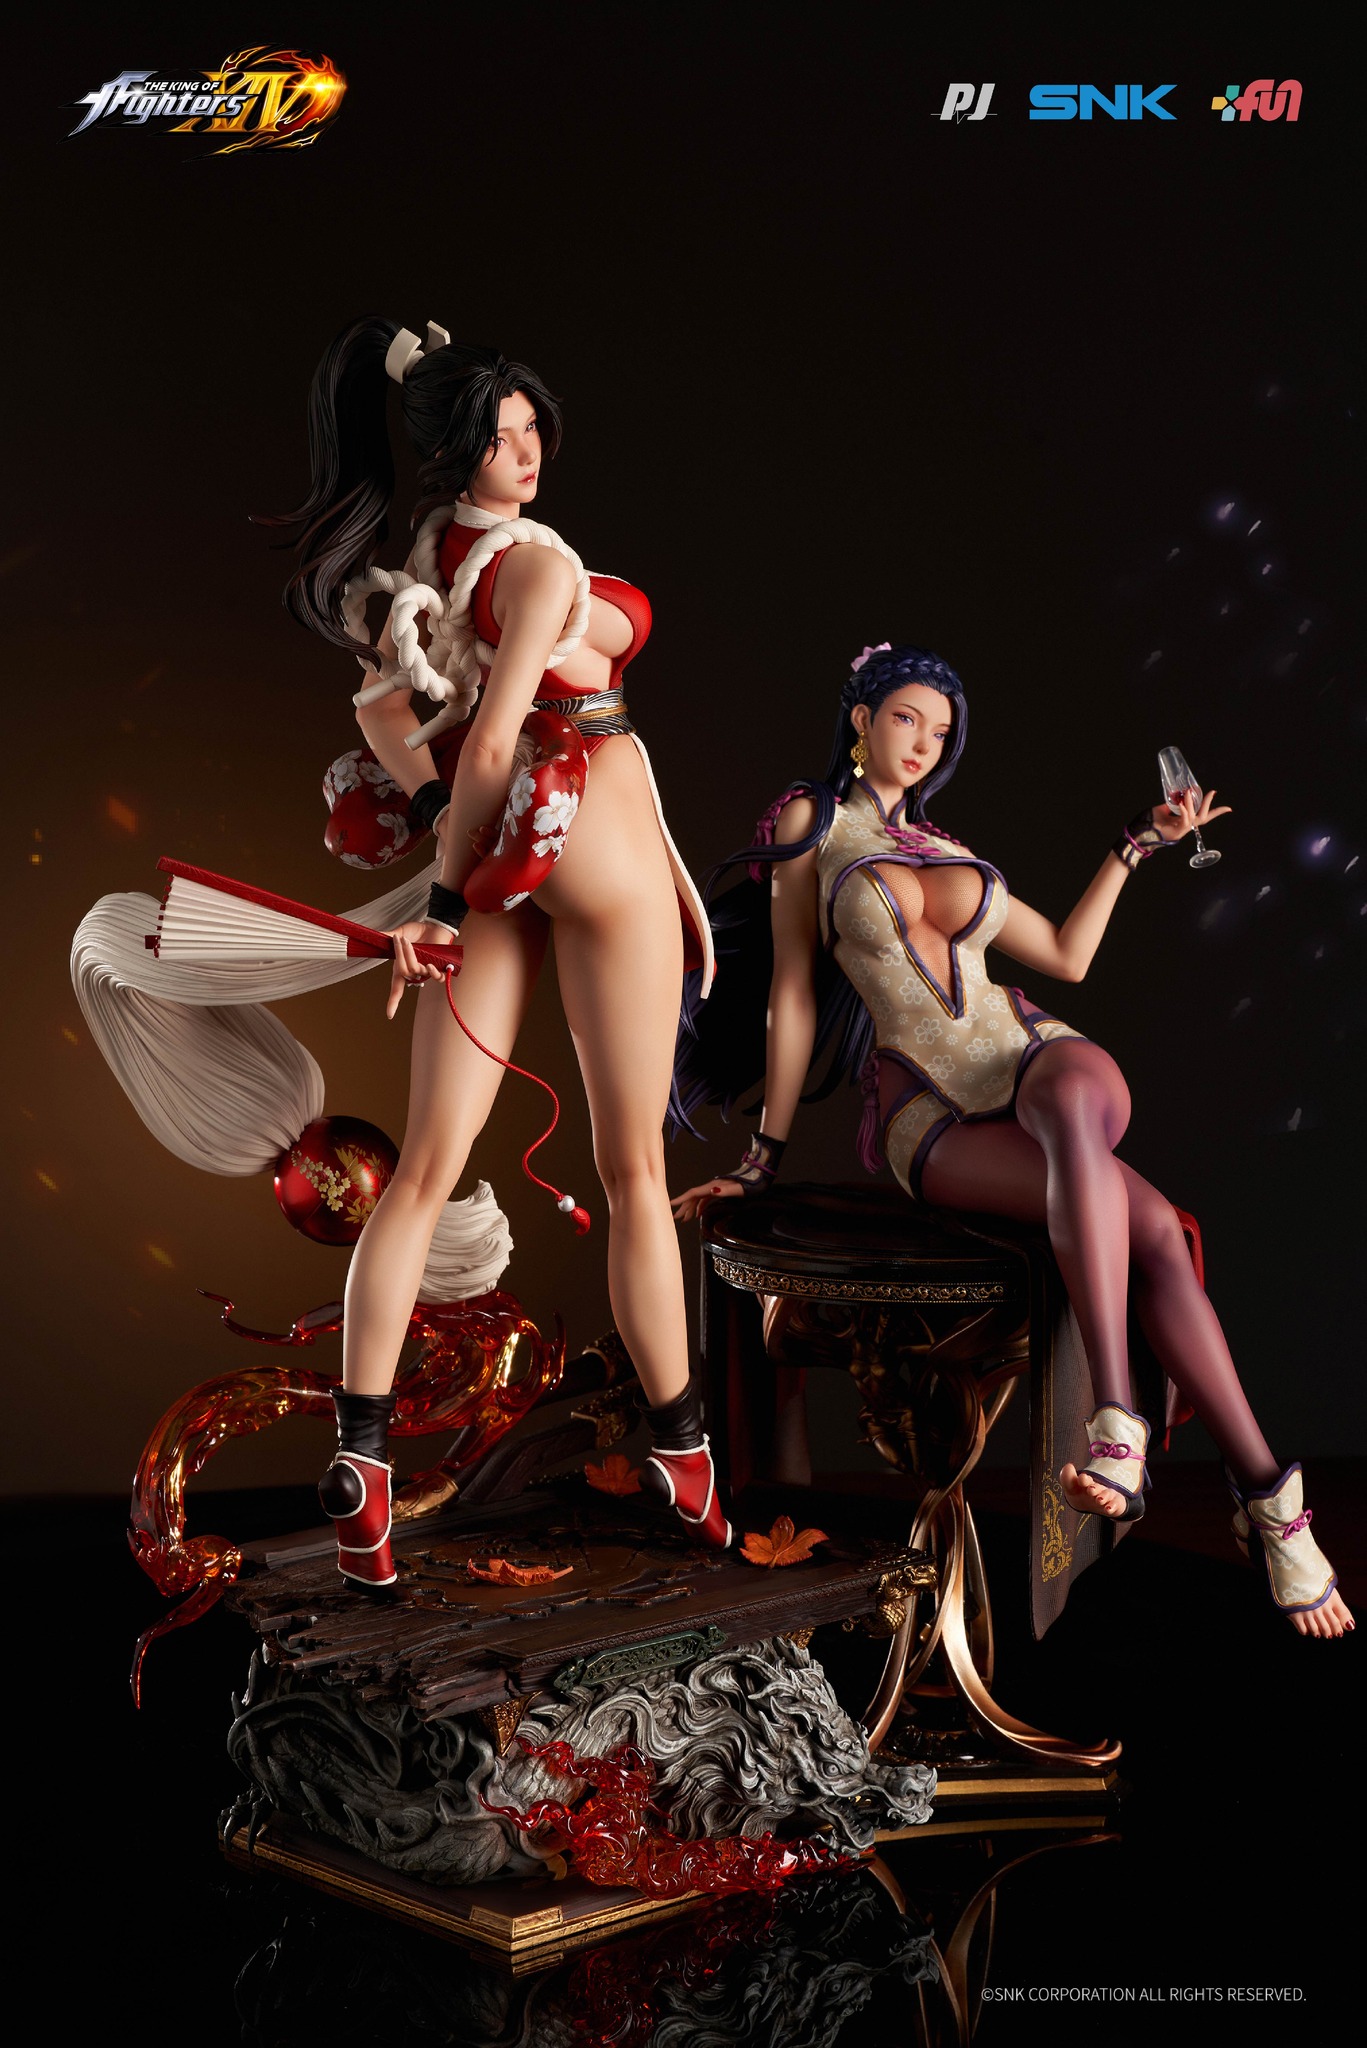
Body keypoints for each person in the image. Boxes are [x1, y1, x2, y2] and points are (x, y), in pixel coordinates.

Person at [670, 643, 1352, 1639]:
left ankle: (1115, 1426)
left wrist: (1137, 843)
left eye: (939, 730)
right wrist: (759, 1157)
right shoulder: (809, 823)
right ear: (860, 718)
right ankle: (1266, 1498)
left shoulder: (943, 843)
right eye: (905, 718)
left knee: (1075, 1091)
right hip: (928, 1109)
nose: (922, 743)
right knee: (1152, 1232)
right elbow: (789, 995)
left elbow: (1066, 957)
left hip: (1030, 1056)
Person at [262, 316, 732, 1584]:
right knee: (632, 1166)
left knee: (422, 1168)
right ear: (454, 448)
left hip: (519, 854)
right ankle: (683, 1450)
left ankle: (361, 1458)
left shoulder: (426, 558)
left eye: (531, 430)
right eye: (499, 435)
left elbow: (387, 714)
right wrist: (442, 901)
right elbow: (492, 741)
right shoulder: (532, 567)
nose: (525, 453)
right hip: (580, 845)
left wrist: (448, 849)